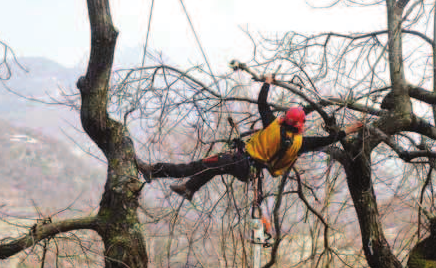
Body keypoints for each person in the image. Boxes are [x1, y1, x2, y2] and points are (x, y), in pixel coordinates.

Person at [137, 74, 363, 200]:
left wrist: (267, 82)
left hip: (241, 161)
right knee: (211, 168)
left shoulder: (273, 126)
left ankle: (154, 171)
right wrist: (347, 130)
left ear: (285, 120)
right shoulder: (299, 143)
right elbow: (326, 140)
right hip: (249, 169)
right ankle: (189, 189)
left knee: (198, 165)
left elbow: (263, 104)